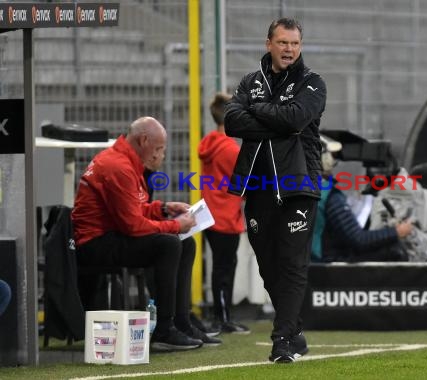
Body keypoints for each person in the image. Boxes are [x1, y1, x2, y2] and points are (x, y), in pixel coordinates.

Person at [224, 18, 326, 363]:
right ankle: (294, 330)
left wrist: (258, 111)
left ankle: (281, 340)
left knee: (292, 264)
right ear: (269, 43)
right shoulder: (250, 82)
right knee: (268, 265)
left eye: (295, 44)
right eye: (283, 43)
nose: (289, 50)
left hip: (299, 184)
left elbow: (296, 119)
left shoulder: (313, 83)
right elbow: (231, 123)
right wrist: (275, 118)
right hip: (258, 185)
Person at [72, 116, 221, 351]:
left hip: (109, 236)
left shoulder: (125, 162)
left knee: (186, 243)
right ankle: (164, 329)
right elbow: (132, 225)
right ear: (143, 140)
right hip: (95, 243)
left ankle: (180, 322)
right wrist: (174, 225)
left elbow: (133, 209)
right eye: (159, 148)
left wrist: (162, 209)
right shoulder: (119, 167)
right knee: (169, 244)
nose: (160, 154)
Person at [312, 137, 413, 262]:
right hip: (326, 269)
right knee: (394, 251)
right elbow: (359, 239)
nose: (333, 161)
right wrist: (396, 232)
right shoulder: (328, 195)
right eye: (332, 156)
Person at [198, 92, 250, 334]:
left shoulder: (210, 143)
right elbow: (246, 184)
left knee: (222, 266)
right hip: (225, 216)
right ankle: (223, 318)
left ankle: (222, 316)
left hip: (211, 214)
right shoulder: (229, 149)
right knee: (225, 268)